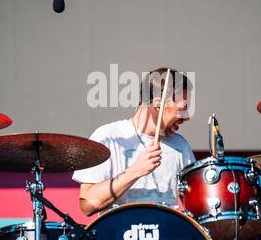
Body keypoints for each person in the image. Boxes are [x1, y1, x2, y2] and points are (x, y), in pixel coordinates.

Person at [73, 67, 195, 216]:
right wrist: (134, 172)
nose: (187, 117)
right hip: (119, 235)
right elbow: (88, 205)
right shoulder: (109, 137)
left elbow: (195, 204)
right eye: (182, 109)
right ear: (158, 105)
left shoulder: (180, 145)